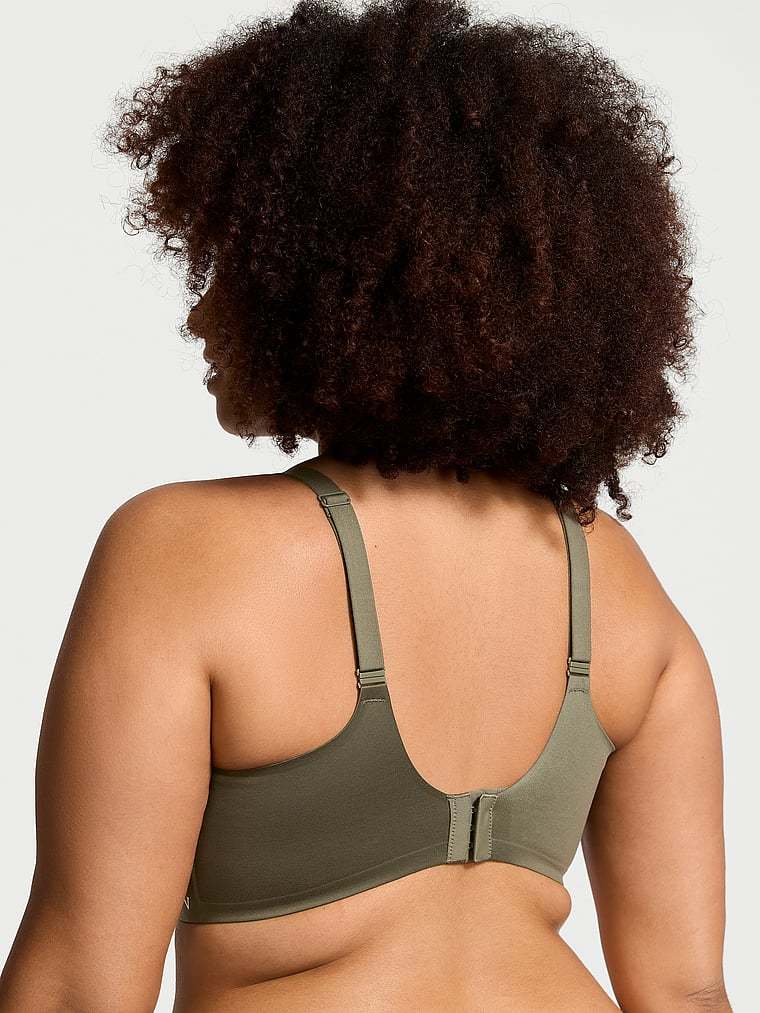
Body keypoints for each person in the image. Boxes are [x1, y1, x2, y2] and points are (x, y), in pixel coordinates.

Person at [0, 0, 731, 1009]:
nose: (203, 311)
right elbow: (687, 993)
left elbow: (80, 986)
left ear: (316, 285)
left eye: (229, 265)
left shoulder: (184, 552)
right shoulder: (619, 586)